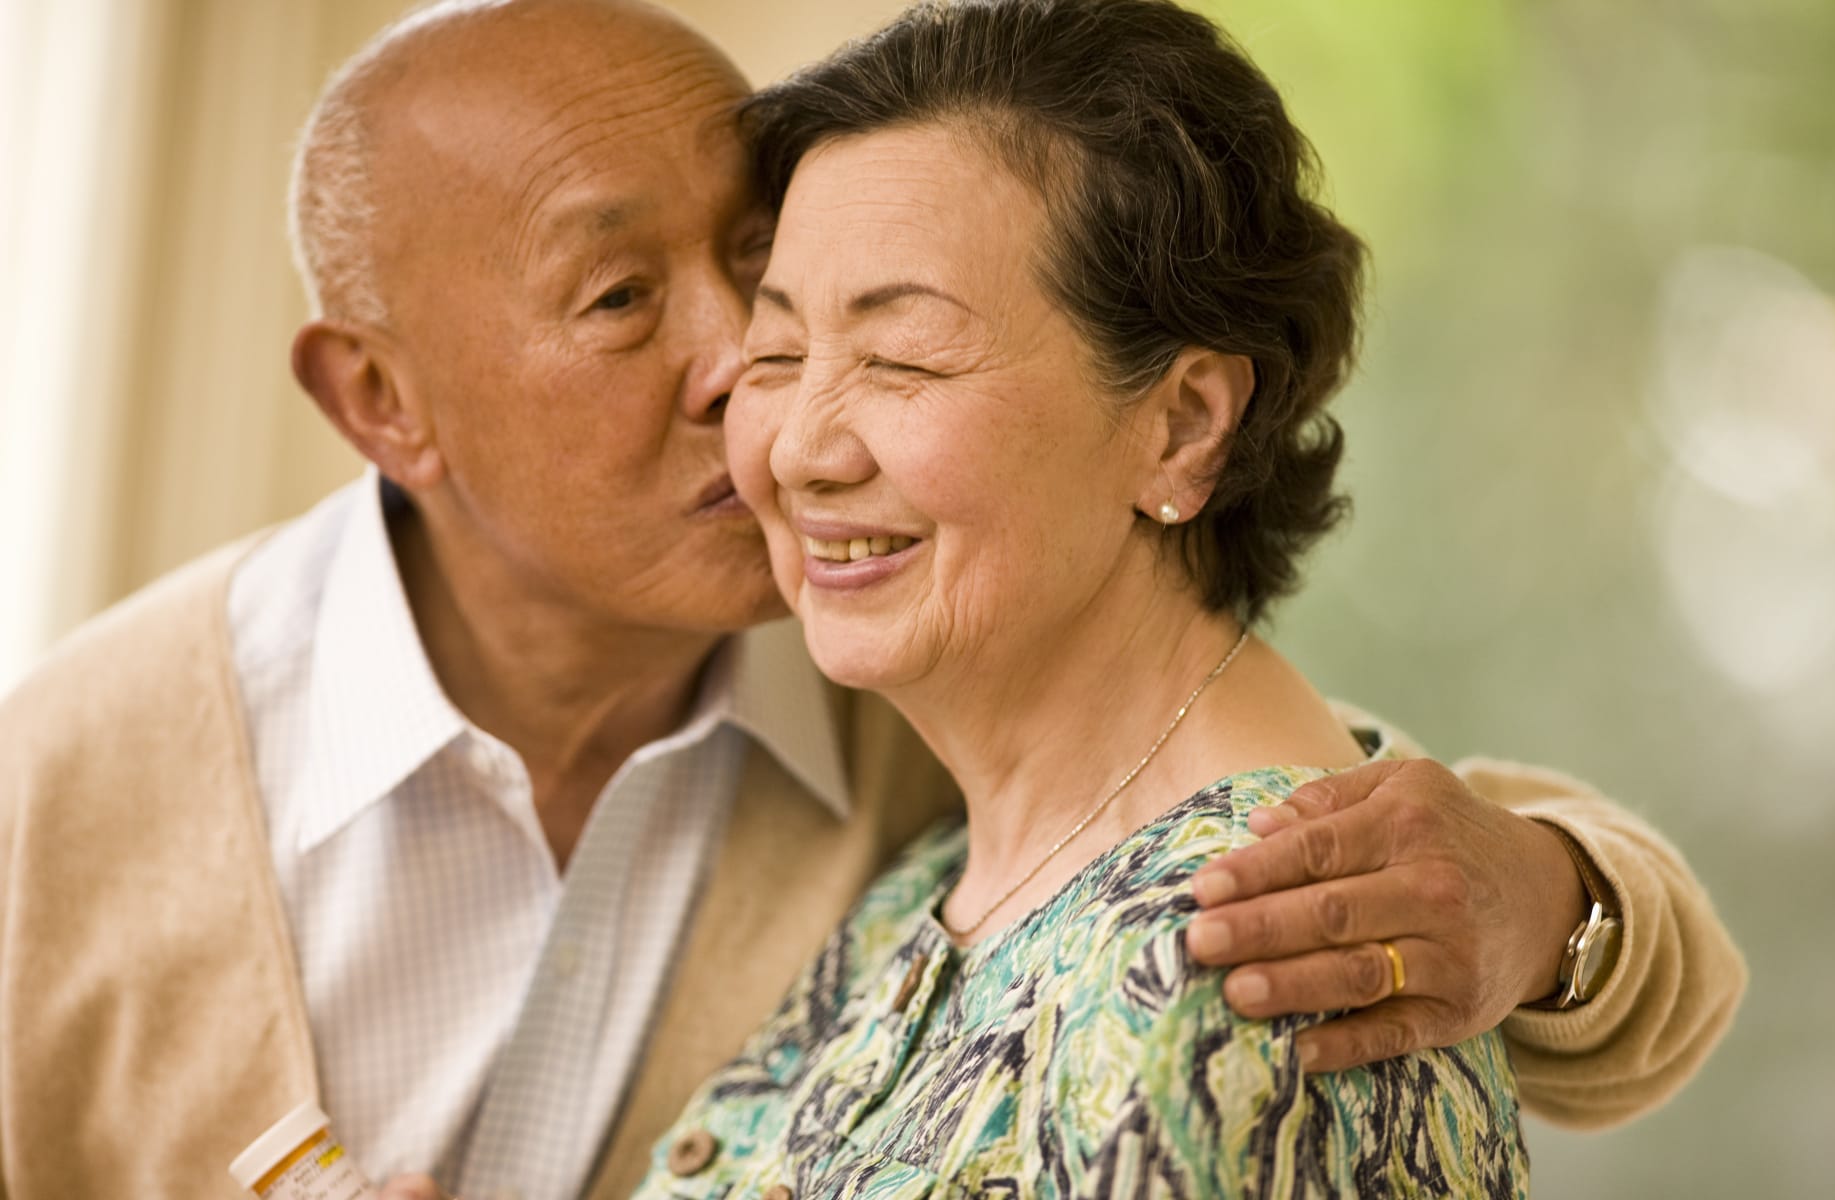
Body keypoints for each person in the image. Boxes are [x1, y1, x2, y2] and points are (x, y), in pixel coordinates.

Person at [0, 1, 1744, 1199]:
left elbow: (1345, 837)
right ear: (383, 401)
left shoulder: (928, 668)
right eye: (621, 300)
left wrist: (1550, 899)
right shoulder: (67, 799)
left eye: (771, 293)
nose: (749, 395)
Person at [620, 0, 1724, 1194]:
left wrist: (1562, 896)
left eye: (903, 357)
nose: (797, 454)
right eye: (777, 356)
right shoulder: (948, 874)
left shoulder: (1249, 958)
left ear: (1182, 424)